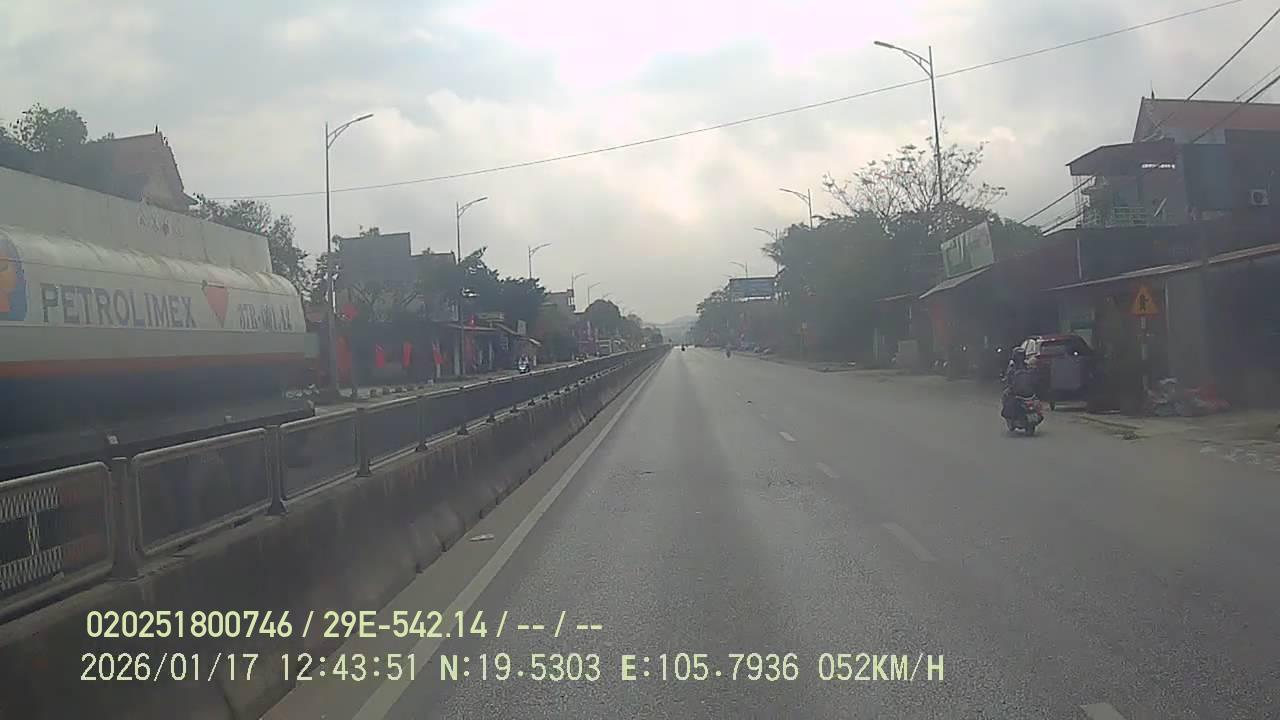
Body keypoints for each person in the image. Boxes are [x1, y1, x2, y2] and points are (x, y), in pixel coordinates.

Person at [1002, 348, 1037, 420]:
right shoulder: (1027, 366)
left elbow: (1008, 379)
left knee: (1005, 396)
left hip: (1021, 393)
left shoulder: (1013, 368)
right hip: (1028, 392)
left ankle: (1011, 417)